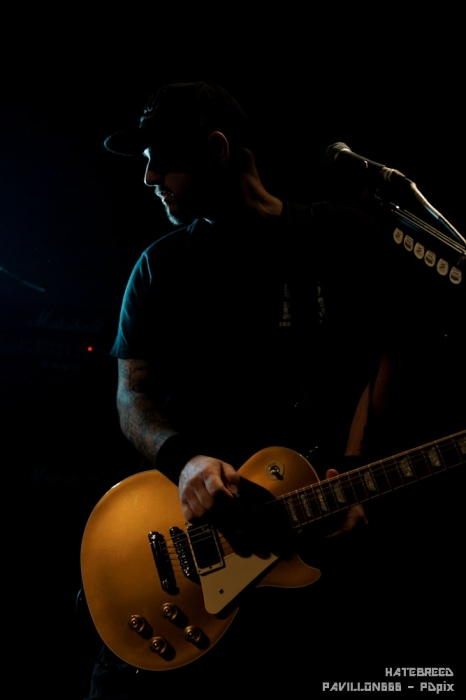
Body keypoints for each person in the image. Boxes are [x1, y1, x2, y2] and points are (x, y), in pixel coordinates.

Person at [84, 82, 401, 699]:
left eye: (160, 159)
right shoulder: (160, 267)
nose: (148, 177)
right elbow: (131, 395)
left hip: (302, 552)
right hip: (182, 549)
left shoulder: (342, 238)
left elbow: (377, 363)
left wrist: (354, 471)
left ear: (217, 149)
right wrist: (185, 462)